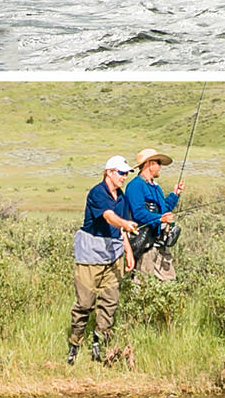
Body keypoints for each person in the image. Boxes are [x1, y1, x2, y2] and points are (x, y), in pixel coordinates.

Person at [68, 155, 138, 365]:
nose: (124, 177)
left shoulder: (122, 198)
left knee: (109, 301)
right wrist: (125, 224)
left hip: (113, 254)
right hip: (90, 255)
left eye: (126, 174)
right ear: (109, 172)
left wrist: (128, 251)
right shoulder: (97, 193)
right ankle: (74, 345)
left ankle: (99, 342)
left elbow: (120, 229)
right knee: (85, 303)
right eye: (121, 173)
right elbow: (109, 217)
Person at [124, 148, 184, 281]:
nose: (160, 167)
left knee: (169, 282)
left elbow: (164, 210)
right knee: (142, 284)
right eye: (158, 162)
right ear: (149, 164)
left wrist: (175, 195)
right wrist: (160, 219)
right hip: (144, 244)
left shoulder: (155, 187)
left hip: (158, 243)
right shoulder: (135, 186)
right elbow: (138, 214)